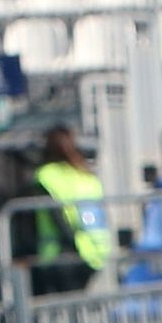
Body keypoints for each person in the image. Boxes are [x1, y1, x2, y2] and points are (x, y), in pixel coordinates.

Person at [29, 123, 108, 296]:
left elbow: (57, 218)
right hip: (94, 253)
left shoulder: (46, 176)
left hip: (62, 253)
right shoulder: (86, 175)